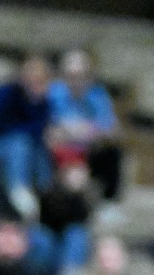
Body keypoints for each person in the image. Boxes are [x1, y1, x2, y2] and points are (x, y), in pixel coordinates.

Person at [0, 54, 54, 214]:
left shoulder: (43, 103)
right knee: (20, 142)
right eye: (32, 76)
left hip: (25, 152)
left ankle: (46, 194)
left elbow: (40, 132)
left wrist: (35, 102)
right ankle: (18, 189)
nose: (35, 83)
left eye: (40, 80)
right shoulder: (5, 93)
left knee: (39, 150)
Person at [44, 49, 122, 200]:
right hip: (60, 149)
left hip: (89, 149)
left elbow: (112, 130)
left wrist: (91, 132)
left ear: (89, 77)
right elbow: (46, 127)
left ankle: (110, 201)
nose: (76, 81)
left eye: (81, 76)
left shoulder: (98, 95)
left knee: (113, 151)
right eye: (71, 76)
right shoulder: (52, 93)